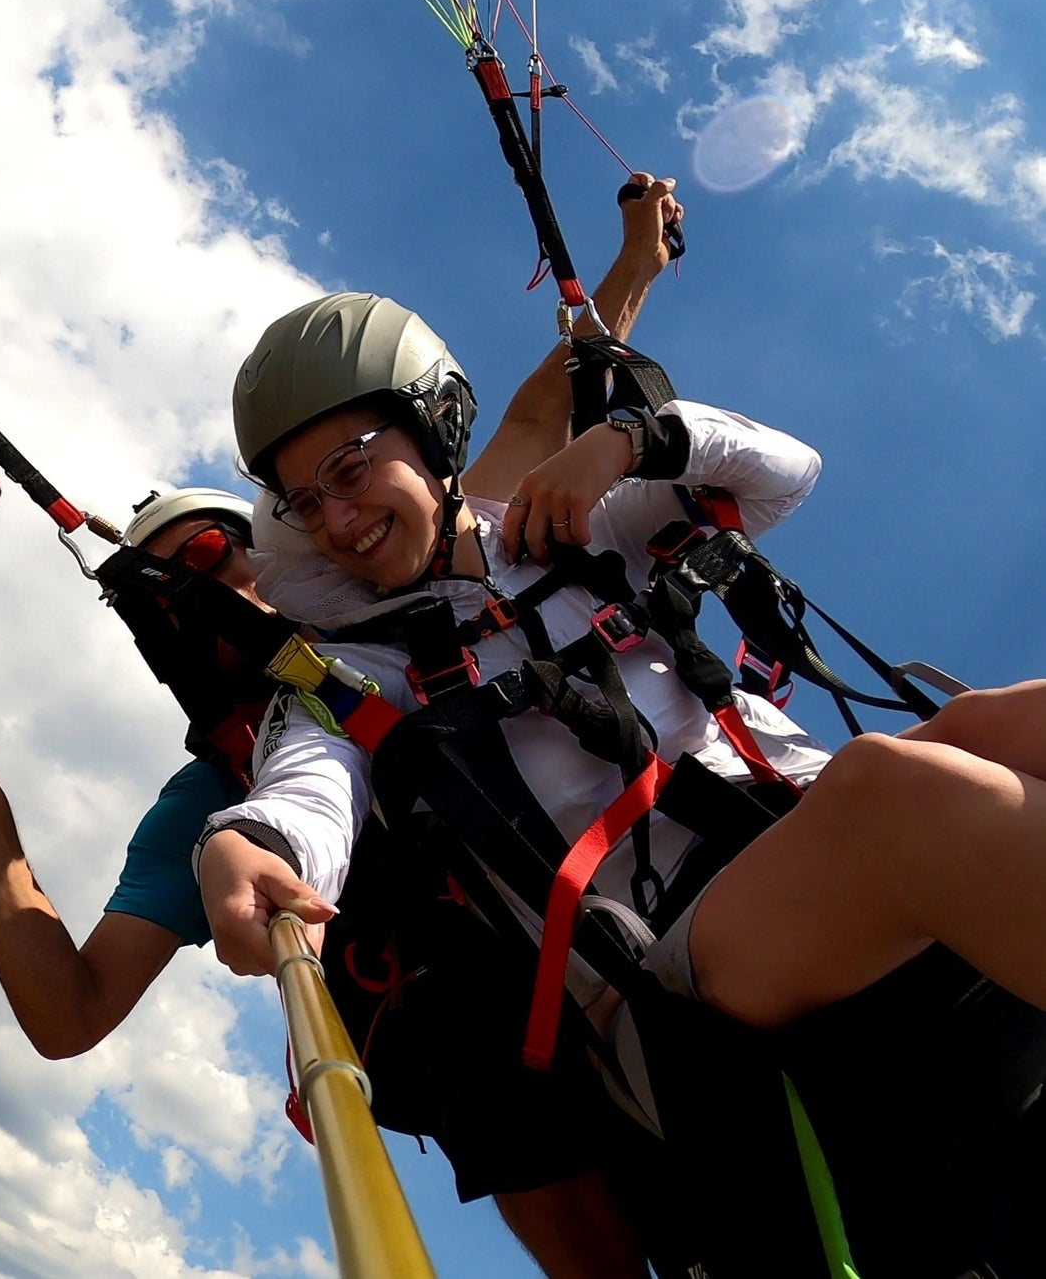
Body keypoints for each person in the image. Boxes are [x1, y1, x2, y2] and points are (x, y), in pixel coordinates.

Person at [0, 180, 688, 1275]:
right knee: (458, 1023)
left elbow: (529, 420)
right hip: (506, 1057)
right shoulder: (223, 795)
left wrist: (632, 267)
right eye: (160, 604)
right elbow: (70, 1011)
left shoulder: (432, 580)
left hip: (642, 928)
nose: (200, 608)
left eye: (216, 565)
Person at [197, 287, 1046, 1276]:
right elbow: (306, 785)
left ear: (434, 428)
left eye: (350, 468)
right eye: (305, 499)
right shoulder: (354, 666)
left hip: (808, 831)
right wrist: (247, 839)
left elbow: (784, 474)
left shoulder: (587, 526)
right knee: (891, 789)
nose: (336, 518)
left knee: (998, 719)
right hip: (670, 975)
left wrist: (632, 441)